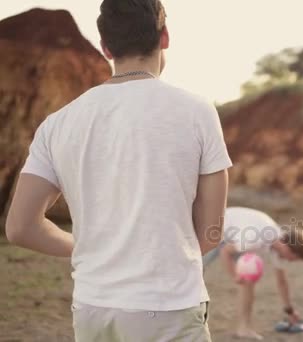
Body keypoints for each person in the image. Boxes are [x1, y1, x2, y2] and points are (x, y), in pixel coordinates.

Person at [5, 1, 232, 340]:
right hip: (168, 306)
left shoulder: (58, 124)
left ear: (106, 47)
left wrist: (89, 246)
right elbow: (211, 233)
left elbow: (20, 227)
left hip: (94, 308)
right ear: (165, 36)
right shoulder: (196, 112)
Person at [203, 206, 303, 340]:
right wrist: (235, 276)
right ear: (287, 247)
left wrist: (289, 310)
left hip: (235, 236)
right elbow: (225, 251)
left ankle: (244, 328)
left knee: (248, 279)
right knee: (195, 271)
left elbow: (282, 282)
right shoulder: (256, 237)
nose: (289, 261)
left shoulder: (278, 245)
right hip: (215, 228)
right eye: (292, 258)